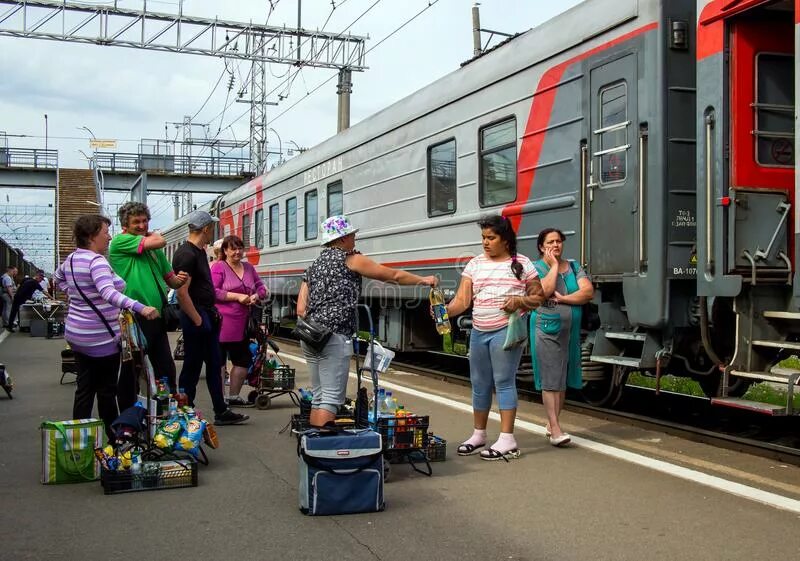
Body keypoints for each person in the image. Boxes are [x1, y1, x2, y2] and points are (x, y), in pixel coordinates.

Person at [296, 215, 437, 428]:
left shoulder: (314, 266)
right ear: (342, 238)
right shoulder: (351, 259)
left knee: (318, 397)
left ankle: (312, 448)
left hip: (309, 335)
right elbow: (394, 275)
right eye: (352, 234)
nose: (355, 238)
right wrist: (423, 280)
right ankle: (324, 454)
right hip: (333, 336)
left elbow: (300, 309)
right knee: (331, 400)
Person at [445, 215, 543, 461]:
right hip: (479, 331)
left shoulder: (522, 263)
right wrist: (443, 311)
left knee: (504, 382)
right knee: (479, 383)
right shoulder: (475, 264)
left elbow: (539, 297)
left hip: (505, 331)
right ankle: (479, 434)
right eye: (483, 238)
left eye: (491, 238)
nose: (485, 243)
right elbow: (462, 301)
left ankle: (507, 438)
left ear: (506, 239)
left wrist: (520, 301)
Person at [53, 214, 159, 441]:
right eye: (105, 232)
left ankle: (78, 439)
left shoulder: (71, 259)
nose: (109, 237)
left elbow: (58, 278)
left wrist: (76, 298)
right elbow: (109, 293)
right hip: (100, 337)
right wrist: (142, 308)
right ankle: (113, 440)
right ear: (92, 236)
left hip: (76, 334)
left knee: (84, 388)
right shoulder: (96, 261)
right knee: (106, 391)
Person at [172, 210, 248, 426]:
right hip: (197, 315)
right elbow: (182, 292)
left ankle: (221, 410)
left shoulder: (197, 252)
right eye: (212, 227)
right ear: (205, 229)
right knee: (192, 366)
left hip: (206, 315)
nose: (213, 230)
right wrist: (198, 320)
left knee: (215, 364)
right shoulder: (186, 255)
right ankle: (185, 410)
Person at [108, 202, 188, 409]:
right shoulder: (120, 241)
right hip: (133, 317)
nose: (142, 225)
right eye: (137, 222)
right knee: (131, 369)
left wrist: (181, 279)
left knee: (166, 368)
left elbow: (171, 281)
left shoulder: (154, 251)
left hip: (156, 316)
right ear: (125, 225)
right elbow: (160, 240)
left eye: (145, 221)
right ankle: (127, 417)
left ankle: (166, 412)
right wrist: (154, 236)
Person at [530, 227, 594, 447]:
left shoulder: (574, 266)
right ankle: (555, 428)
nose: (556, 245)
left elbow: (587, 292)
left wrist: (564, 299)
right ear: (541, 247)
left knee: (562, 378)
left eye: (559, 241)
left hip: (570, 331)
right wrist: (555, 266)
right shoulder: (536, 267)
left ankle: (552, 424)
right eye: (550, 242)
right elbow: (544, 292)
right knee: (551, 378)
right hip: (545, 328)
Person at [211, 235, 268, 406]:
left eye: (240, 248)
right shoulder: (218, 267)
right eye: (233, 249)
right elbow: (213, 291)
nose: (237, 252)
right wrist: (237, 297)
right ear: (225, 251)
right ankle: (219, 399)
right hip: (221, 322)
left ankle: (233, 396)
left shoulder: (249, 268)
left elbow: (261, 287)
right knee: (219, 361)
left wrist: (257, 295)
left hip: (242, 323)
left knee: (242, 359)